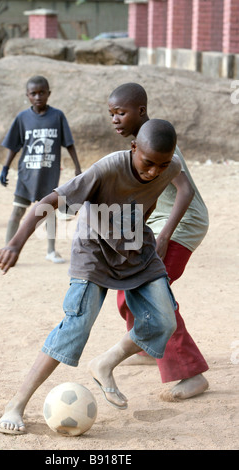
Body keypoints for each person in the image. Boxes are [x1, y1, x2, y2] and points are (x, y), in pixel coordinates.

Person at [0, 118, 182, 434]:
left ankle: (105, 363)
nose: (154, 171)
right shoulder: (106, 169)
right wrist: (15, 243)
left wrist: (154, 230)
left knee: (165, 321)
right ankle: (16, 403)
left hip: (138, 252)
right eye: (148, 163)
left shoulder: (171, 168)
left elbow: (158, 194)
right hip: (94, 254)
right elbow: (48, 201)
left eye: (161, 165)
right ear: (133, 147)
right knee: (75, 328)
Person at [108, 82, 209, 401]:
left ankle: (191, 374)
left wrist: (163, 236)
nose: (114, 120)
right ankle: (151, 347)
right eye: (111, 114)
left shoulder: (156, 137)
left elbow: (185, 191)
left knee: (151, 294)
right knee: (127, 292)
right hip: (160, 223)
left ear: (140, 110)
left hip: (182, 223)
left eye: (120, 113)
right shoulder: (142, 140)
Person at [0, 75, 81, 263]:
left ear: (49, 94)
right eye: (33, 93)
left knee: (48, 211)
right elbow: (14, 145)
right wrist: (5, 167)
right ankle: (8, 248)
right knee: (17, 212)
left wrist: (77, 167)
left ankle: (51, 251)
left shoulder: (57, 116)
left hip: (48, 174)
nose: (38, 97)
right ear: (27, 95)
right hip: (27, 175)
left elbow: (68, 143)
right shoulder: (22, 118)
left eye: (41, 93)